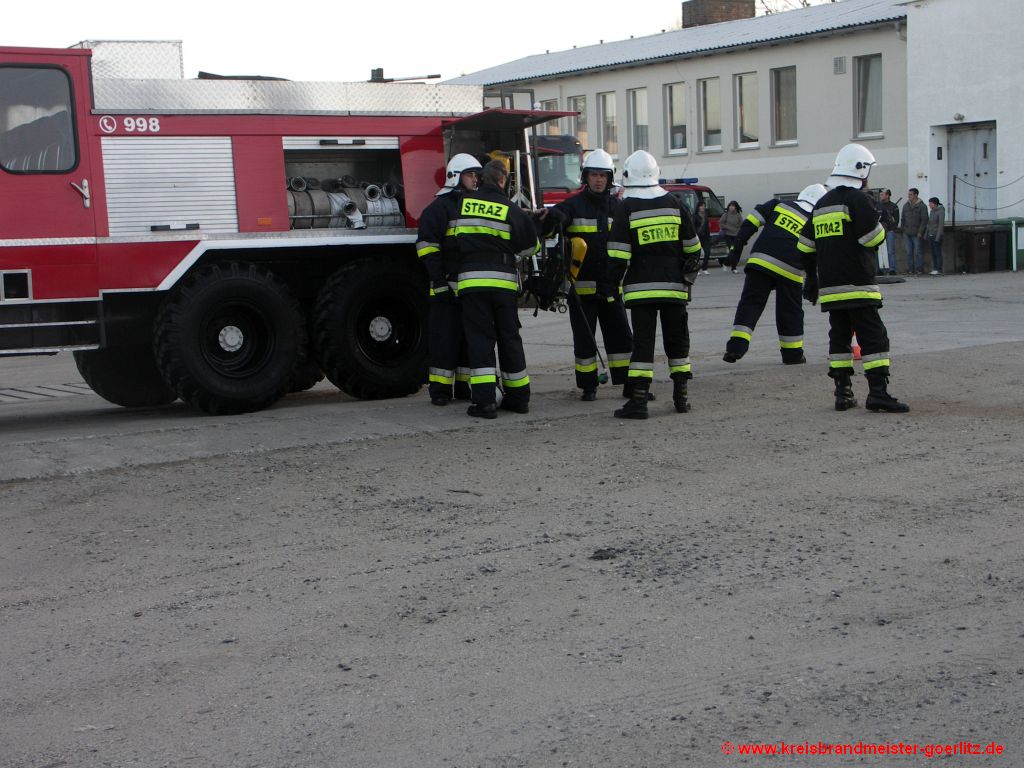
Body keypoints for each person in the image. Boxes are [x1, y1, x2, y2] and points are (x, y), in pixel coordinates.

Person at [798, 143, 909, 413]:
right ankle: (878, 394)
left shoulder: (823, 202)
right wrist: (885, 225)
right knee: (874, 339)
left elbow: (803, 245)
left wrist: (811, 280)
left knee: (839, 339)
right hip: (858, 284)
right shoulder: (859, 200)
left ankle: (843, 394)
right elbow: (869, 238)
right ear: (860, 170)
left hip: (831, 288)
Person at [607, 150, 702, 418]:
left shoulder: (626, 207)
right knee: (678, 342)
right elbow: (694, 249)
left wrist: (610, 287)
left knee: (643, 346)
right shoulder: (674, 203)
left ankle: (638, 402)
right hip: (674, 289)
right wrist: (685, 275)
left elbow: (618, 255)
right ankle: (681, 398)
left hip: (641, 291)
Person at [449, 160, 540, 419]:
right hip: (503, 285)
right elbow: (530, 249)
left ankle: (485, 402)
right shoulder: (512, 210)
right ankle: (519, 399)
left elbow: (455, 242)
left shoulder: (462, 205)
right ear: (503, 181)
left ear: (480, 180)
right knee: (509, 338)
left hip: (472, 283)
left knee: (480, 340)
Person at [544, 149, 633, 401]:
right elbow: (554, 222)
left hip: (611, 288)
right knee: (584, 342)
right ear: (585, 177)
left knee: (622, 340)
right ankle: (588, 386)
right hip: (581, 290)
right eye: (593, 175)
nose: (598, 180)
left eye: (602, 176)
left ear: (609, 178)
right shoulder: (572, 205)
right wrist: (554, 218)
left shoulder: (619, 208)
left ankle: (627, 385)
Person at [722, 183, 828, 366]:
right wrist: (813, 280)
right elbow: (815, 254)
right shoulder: (815, 220)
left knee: (750, 304)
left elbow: (751, 222)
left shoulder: (779, 204)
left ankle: (736, 347)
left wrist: (736, 248)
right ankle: (792, 354)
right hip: (791, 270)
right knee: (790, 312)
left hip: (761, 261)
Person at [416, 153, 481, 406]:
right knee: (444, 340)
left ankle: (464, 388)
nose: (475, 179)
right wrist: (439, 281)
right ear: (455, 176)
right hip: (445, 288)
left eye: (476, 175)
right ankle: (440, 392)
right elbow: (427, 248)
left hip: (469, 287)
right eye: (470, 174)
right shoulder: (439, 208)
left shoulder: (475, 205)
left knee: (467, 340)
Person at [900, 188, 928, 275]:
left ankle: (919, 269)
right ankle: (910, 269)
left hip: (917, 233)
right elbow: (903, 218)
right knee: (908, 252)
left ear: (916, 195)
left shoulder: (922, 206)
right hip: (907, 232)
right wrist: (903, 229)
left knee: (918, 252)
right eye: (908, 195)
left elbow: (924, 220)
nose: (909, 196)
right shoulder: (906, 205)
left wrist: (920, 232)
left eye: (910, 195)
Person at [876, 189, 900, 275]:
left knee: (890, 251)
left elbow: (896, 220)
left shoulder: (893, 206)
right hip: (879, 231)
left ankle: (892, 269)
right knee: (877, 250)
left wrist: (892, 228)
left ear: (887, 195)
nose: (880, 196)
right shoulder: (878, 206)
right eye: (880, 195)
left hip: (889, 230)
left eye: (882, 194)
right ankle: (878, 269)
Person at [719, 200, 744, 272]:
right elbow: (721, 223)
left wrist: (739, 232)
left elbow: (741, 225)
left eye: (733, 206)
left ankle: (725, 263)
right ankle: (734, 268)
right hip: (728, 236)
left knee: (736, 251)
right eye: (730, 206)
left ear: (736, 207)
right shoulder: (726, 214)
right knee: (732, 250)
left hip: (736, 236)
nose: (731, 207)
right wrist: (726, 227)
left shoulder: (738, 215)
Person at [926, 196, 946, 275]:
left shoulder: (941, 211)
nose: (929, 205)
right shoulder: (932, 211)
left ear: (935, 204)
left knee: (937, 252)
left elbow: (940, 225)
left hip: (937, 235)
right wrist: (926, 234)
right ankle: (934, 268)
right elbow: (929, 224)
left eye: (930, 203)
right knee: (933, 252)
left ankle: (939, 269)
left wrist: (938, 237)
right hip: (931, 234)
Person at [694, 200, 712, 275]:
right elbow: (693, 226)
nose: (703, 207)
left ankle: (705, 268)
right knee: (697, 254)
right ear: (698, 207)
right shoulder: (695, 216)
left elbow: (707, 227)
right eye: (701, 206)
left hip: (706, 237)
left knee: (707, 252)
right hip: (698, 237)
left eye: (704, 206)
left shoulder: (706, 216)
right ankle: (696, 269)